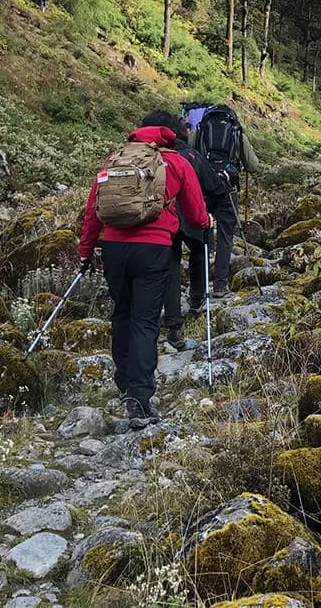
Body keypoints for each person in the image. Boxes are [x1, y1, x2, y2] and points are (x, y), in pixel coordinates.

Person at [78, 123, 211, 428]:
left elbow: (93, 209)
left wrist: (86, 250)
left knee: (122, 314)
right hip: (153, 249)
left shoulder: (115, 159)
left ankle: (124, 384)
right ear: (169, 140)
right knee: (145, 321)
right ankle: (139, 399)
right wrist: (206, 222)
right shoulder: (175, 161)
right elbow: (194, 212)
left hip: (113, 248)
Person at [138, 110, 227, 348]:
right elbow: (216, 187)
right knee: (199, 250)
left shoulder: (139, 157)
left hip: (154, 223)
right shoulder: (189, 157)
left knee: (171, 266)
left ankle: (172, 323)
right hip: (188, 218)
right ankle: (197, 299)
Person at [181, 103, 261, 297]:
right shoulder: (237, 132)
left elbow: (189, 155)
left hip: (203, 189)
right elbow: (253, 165)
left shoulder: (200, 130)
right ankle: (220, 285)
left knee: (201, 235)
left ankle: (198, 288)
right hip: (228, 188)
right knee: (225, 237)